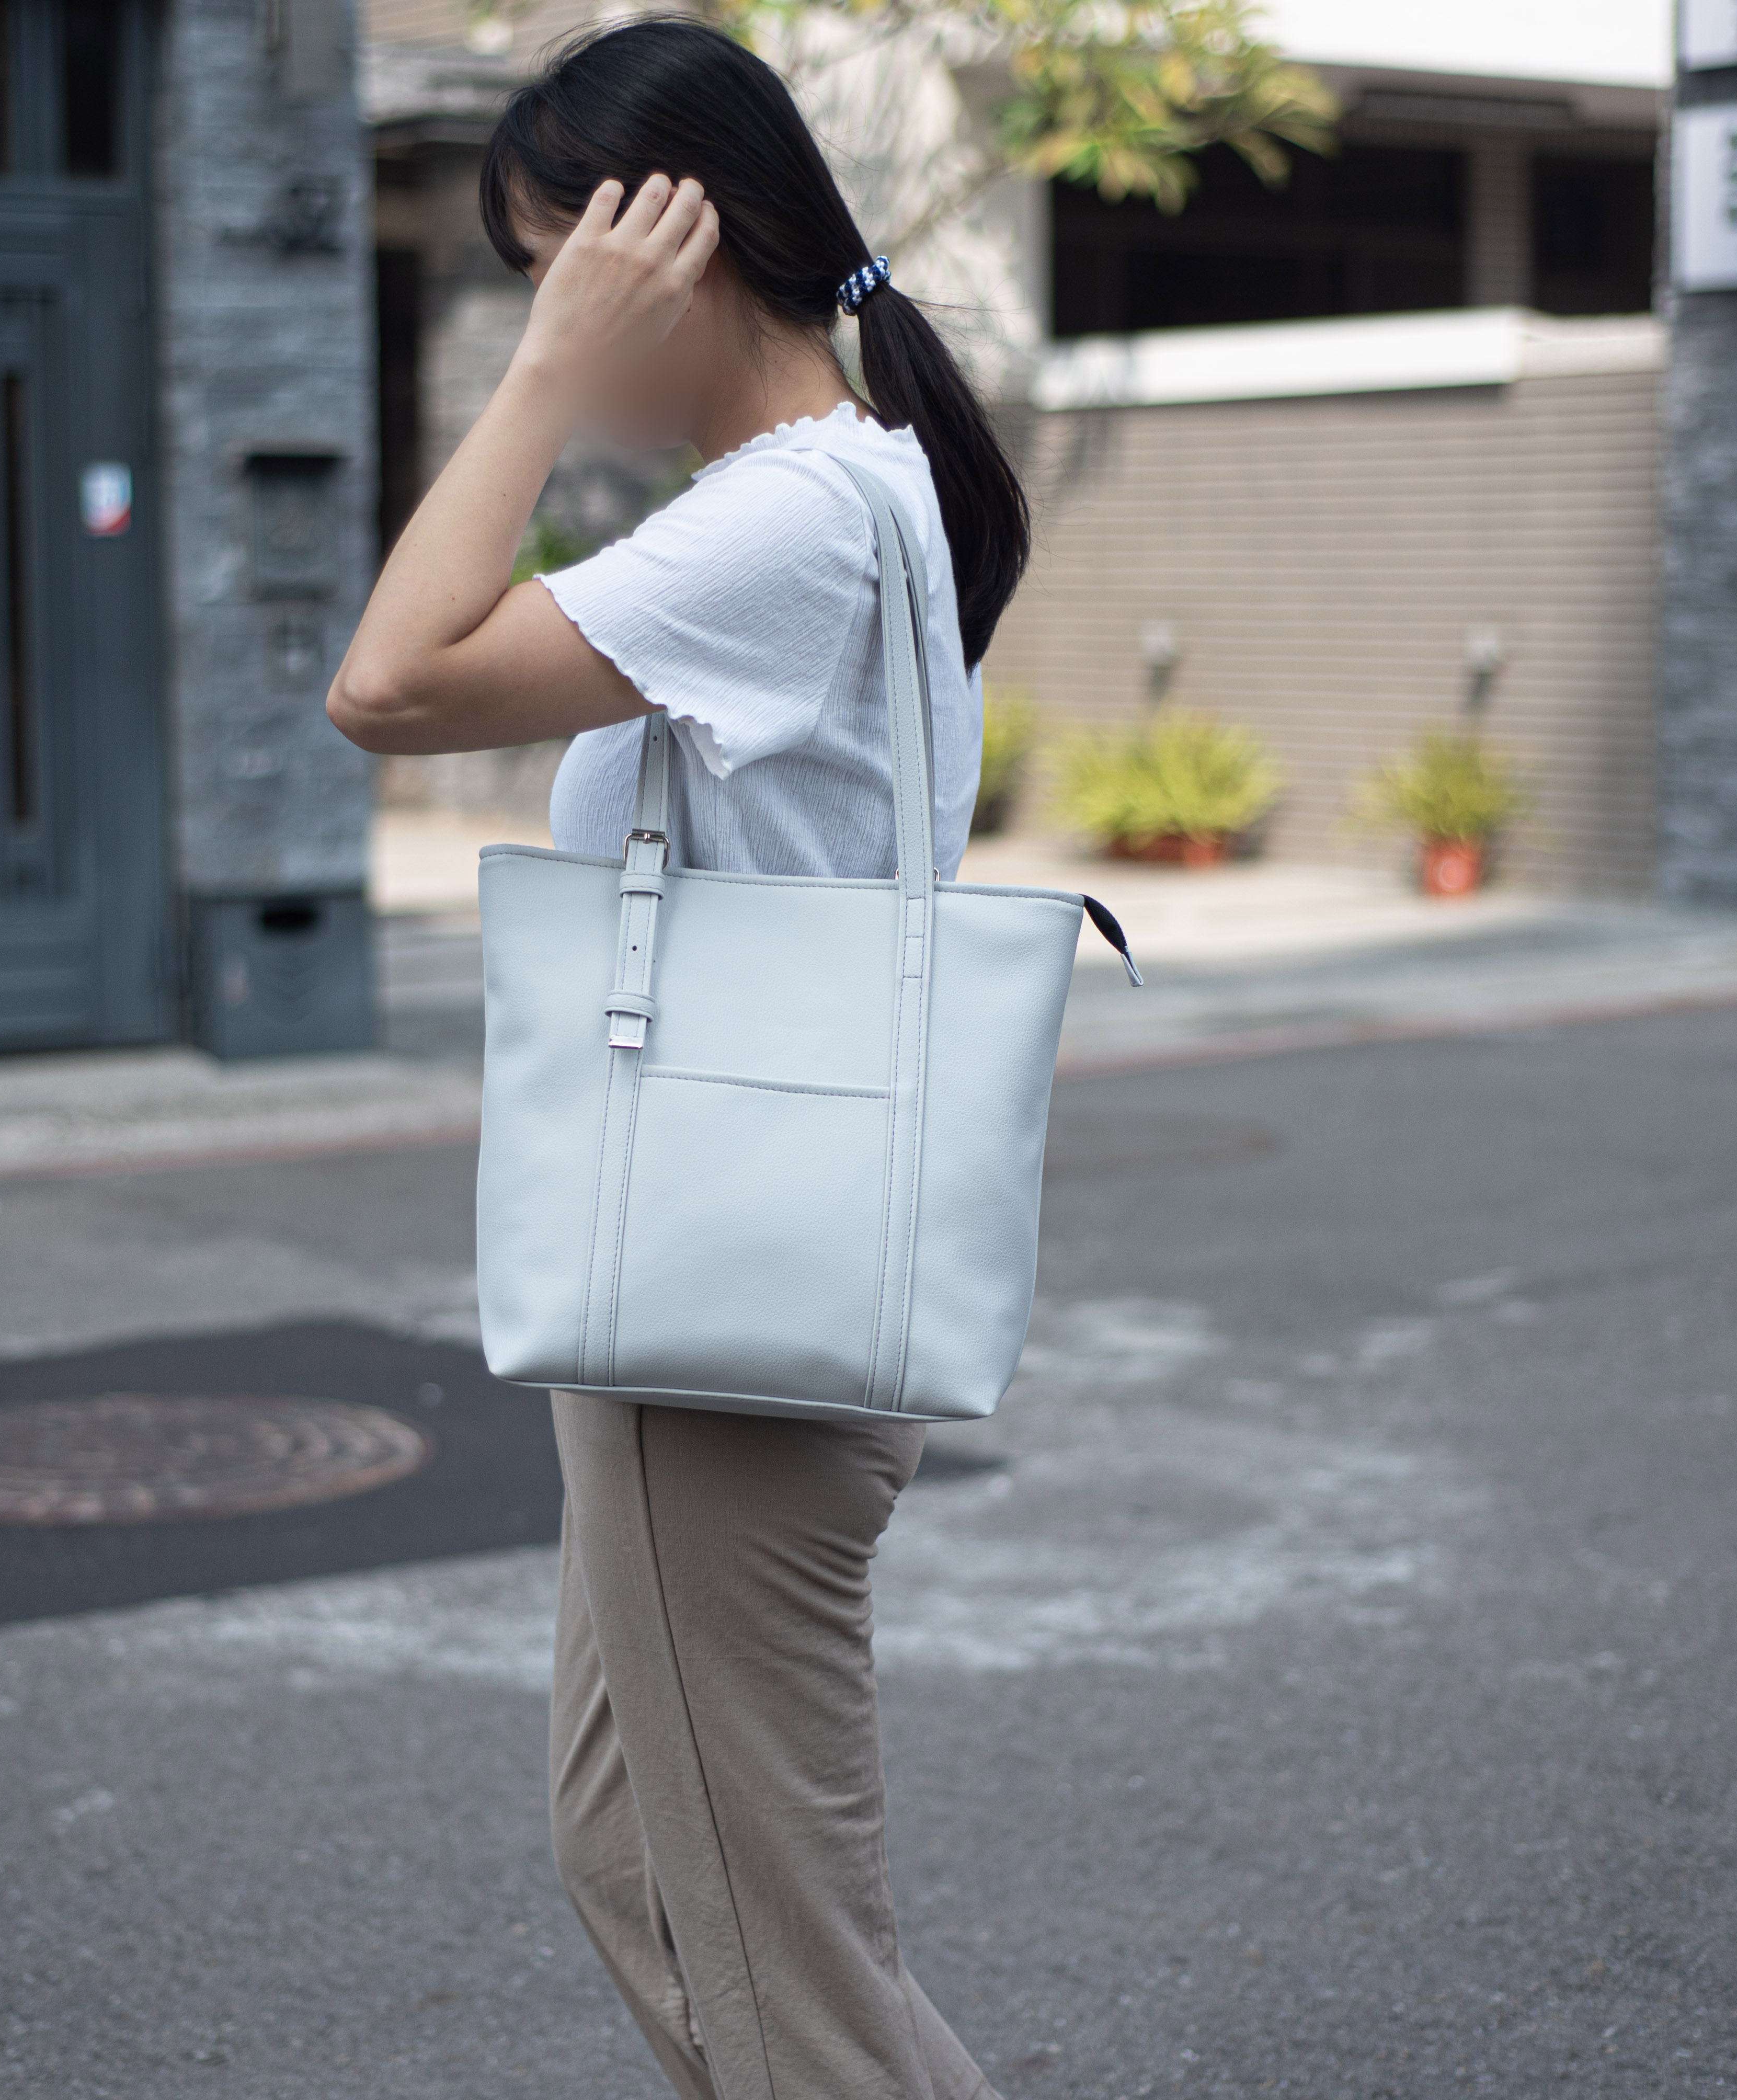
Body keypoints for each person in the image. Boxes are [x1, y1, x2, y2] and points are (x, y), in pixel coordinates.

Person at [326, 17, 1029, 2096]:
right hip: (754, 1285)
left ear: (670, 247)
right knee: (639, 1858)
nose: (552, 322)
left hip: (722, 1316)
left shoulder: (785, 517)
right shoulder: (846, 491)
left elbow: (388, 680)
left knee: (775, 1956)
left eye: (560, 270)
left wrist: (535, 384)